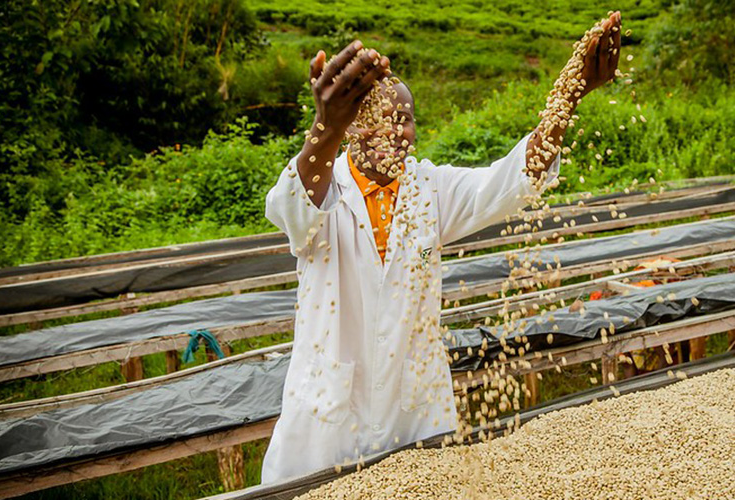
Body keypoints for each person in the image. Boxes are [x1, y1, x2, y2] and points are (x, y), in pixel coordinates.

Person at [260, 11, 622, 483]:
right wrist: (323, 129)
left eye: (407, 121)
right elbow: (290, 211)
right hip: (328, 427)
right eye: (384, 119)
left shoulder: (429, 188)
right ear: (351, 126)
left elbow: (513, 179)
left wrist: (571, 92)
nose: (400, 131)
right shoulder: (323, 193)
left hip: (415, 415)